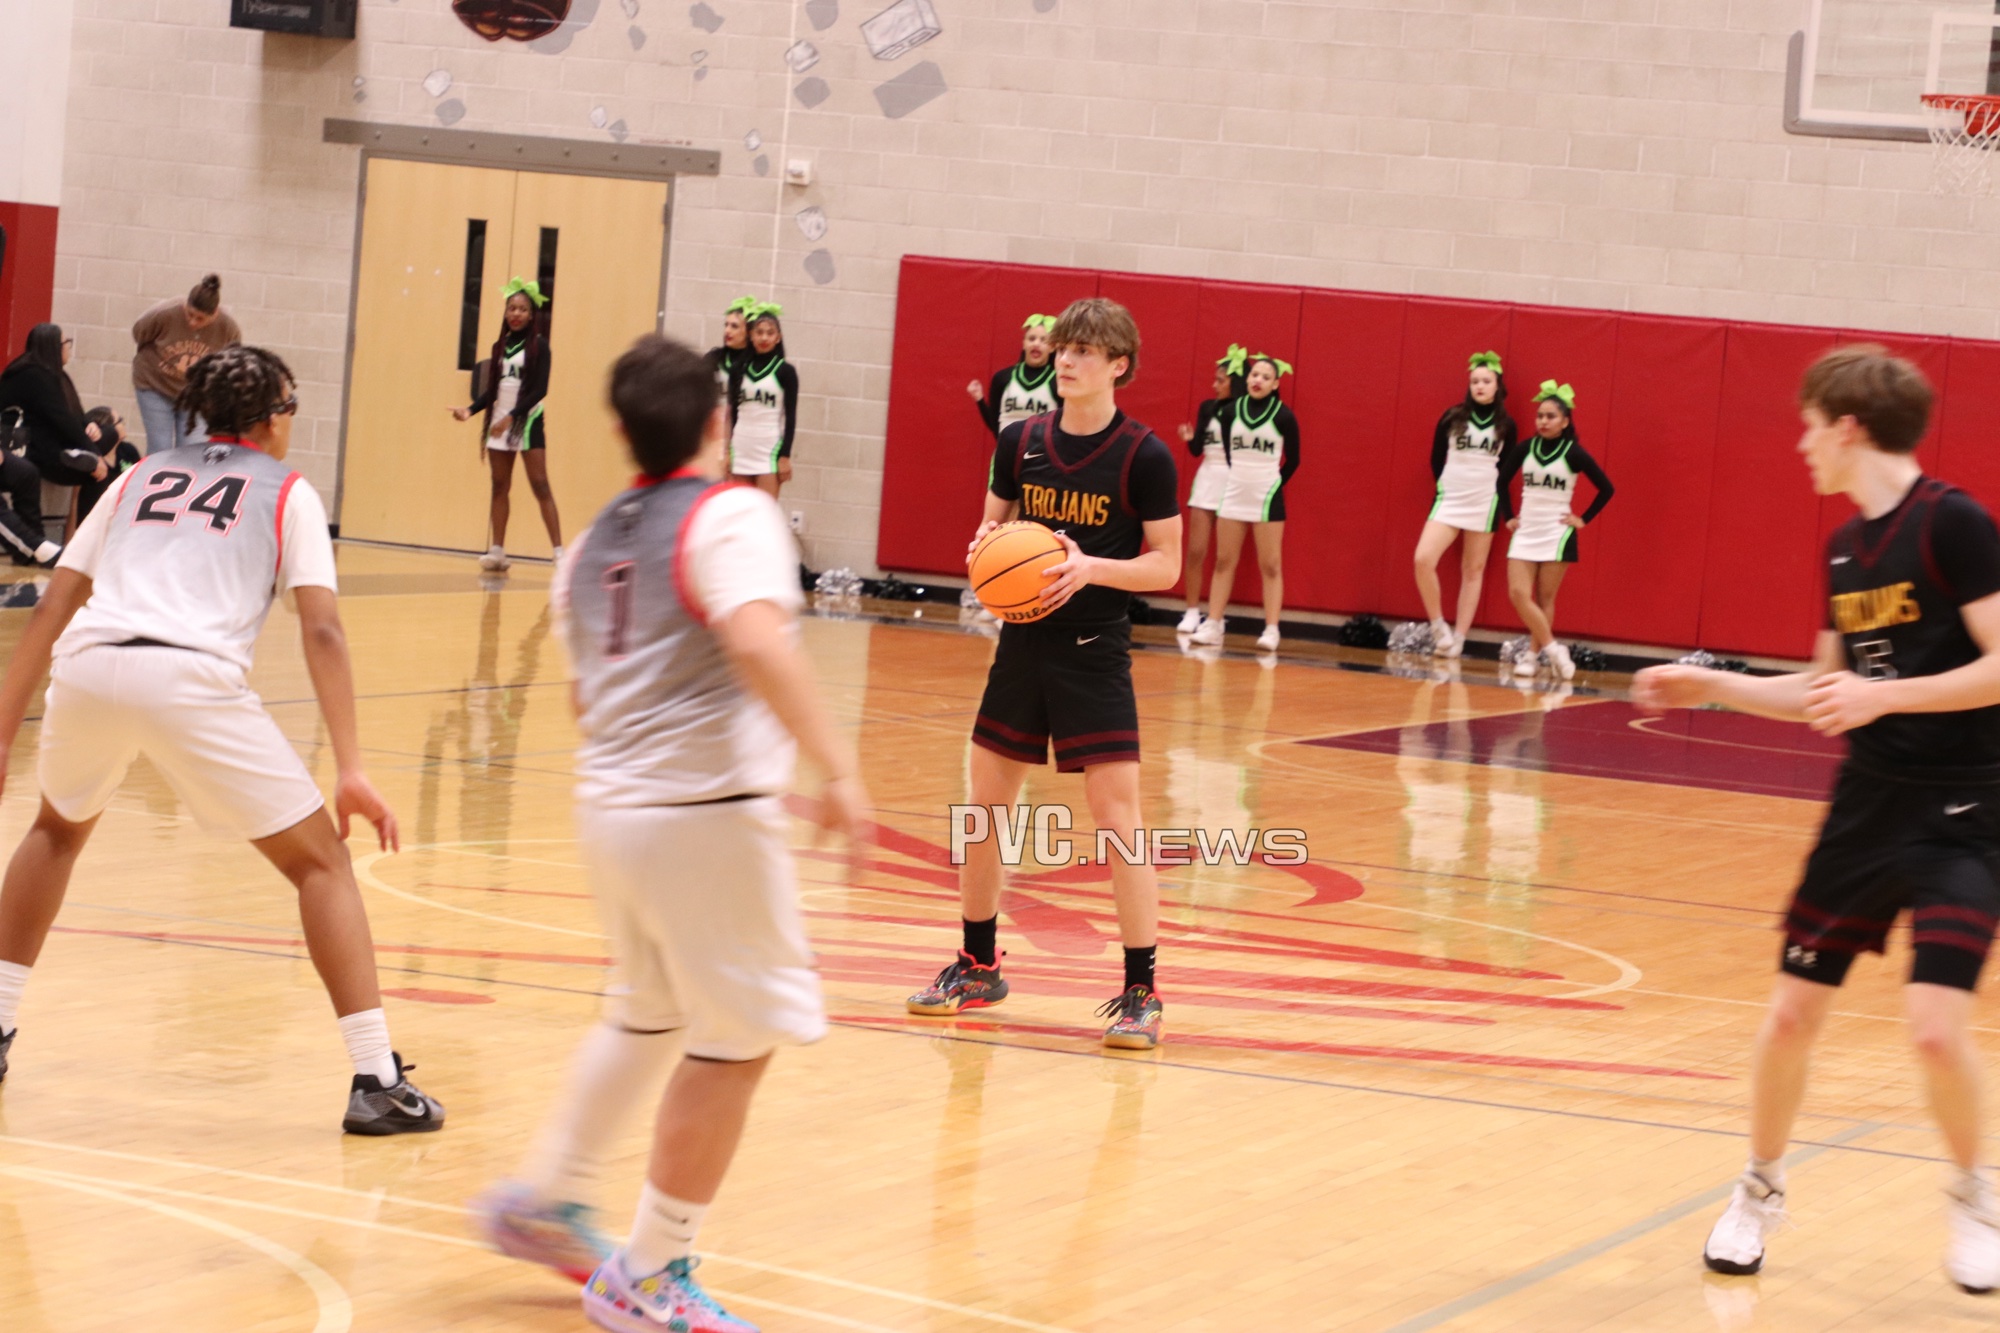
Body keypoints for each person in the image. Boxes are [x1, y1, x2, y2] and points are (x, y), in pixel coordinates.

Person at [471, 334, 867, 1333]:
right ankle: (650, 1267)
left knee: (647, 1013)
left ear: (618, 430)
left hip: (610, 807)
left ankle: (546, 1197)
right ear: (718, 422)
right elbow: (755, 639)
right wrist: (837, 768)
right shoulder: (732, 513)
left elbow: (581, 697)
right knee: (739, 1039)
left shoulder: (584, 545)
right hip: (701, 815)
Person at [0, 344, 443, 1135]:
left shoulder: (138, 476)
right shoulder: (289, 491)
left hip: (91, 667)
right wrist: (350, 765)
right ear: (272, 419)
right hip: (190, 678)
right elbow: (323, 630)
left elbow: (53, 606)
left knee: (56, 830)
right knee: (322, 863)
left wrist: (4, 731)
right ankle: (376, 1079)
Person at [1633, 344, 2000, 1293]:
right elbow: (1827, 689)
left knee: (1934, 1027)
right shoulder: (1842, 548)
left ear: (1847, 426)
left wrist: (1890, 696)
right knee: (1793, 1013)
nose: (1801, 446)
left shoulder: (1954, 522)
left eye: (1808, 427)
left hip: (1965, 807)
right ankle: (1758, 1188)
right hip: (1867, 807)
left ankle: (1976, 1198)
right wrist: (1712, 683)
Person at [905, 297, 1183, 1049]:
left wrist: (1092, 567)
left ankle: (1141, 990)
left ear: (1119, 365)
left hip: (1094, 646)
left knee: (1118, 820)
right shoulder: (1019, 440)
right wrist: (985, 553)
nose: (1067, 360)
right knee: (985, 805)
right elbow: (992, 527)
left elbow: (1167, 564)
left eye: (1085, 350)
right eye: (1064, 347)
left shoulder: (1145, 456)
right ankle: (978, 964)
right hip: (1022, 642)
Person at [1500, 380, 1612, 681]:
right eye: (1540, 416)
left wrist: (1583, 519)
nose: (1544, 421)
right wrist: (1508, 516)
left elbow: (1606, 488)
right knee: (1518, 593)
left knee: (1545, 599)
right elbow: (1501, 480)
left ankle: (1532, 656)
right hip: (1527, 530)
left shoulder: (1573, 453)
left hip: (1556, 533)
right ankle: (1554, 650)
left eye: (1551, 416)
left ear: (1565, 421)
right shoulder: (1526, 448)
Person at [452, 278, 563, 572]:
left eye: (522, 309)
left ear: (531, 315)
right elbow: (494, 389)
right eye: (512, 308)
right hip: (500, 420)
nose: (516, 313)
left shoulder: (540, 346)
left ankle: (560, 554)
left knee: (540, 484)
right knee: (499, 485)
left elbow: (540, 389)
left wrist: (511, 417)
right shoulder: (499, 346)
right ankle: (498, 551)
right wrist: (470, 410)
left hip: (526, 421)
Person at [1190, 354, 1298, 652]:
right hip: (1234, 493)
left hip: (1267, 497)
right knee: (1224, 561)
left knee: (1271, 564)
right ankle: (1213, 624)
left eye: (1266, 377)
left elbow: (1294, 460)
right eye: (1255, 375)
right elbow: (1228, 452)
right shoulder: (1230, 412)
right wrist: (1241, 477)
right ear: (1247, 379)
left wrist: (1273, 484)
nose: (1258, 380)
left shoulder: (1284, 416)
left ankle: (1271, 629)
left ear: (1275, 384)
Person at [1415, 352, 1516, 658]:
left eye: (1486, 381)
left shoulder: (1507, 425)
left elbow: (1507, 468)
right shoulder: (1452, 417)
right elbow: (1436, 458)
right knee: (1423, 559)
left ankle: (1459, 638)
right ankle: (1438, 627)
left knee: (1473, 570)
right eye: (1475, 381)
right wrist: (1446, 485)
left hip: (1484, 501)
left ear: (1497, 386)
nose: (1480, 386)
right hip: (1450, 498)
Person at [0, 325, 98, 565]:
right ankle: (38, 548)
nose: (69, 349)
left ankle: (31, 549)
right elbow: (60, 419)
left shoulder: (55, 375)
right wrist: (95, 454)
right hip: (34, 448)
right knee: (95, 465)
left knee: (25, 474)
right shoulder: (31, 375)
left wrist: (89, 425)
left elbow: (72, 416)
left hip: (30, 449)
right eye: (66, 344)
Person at [1175, 345, 1246, 636]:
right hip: (1207, 476)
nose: (1215, 385)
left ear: (1235, 383)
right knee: (1195, 550)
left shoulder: (1244, 411)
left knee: (1225, 557)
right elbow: (1196, 450)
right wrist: (1189, 438)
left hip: (1235, 479)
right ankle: (1192, 610)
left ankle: (1216, 616)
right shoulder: (1207, 407)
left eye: (1221, 380)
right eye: (1215, 379)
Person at [130, 273, 240, 454]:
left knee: (191, 451)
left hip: (196, 396)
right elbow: (138, 333)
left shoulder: (228, 328)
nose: (192, 322)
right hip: (154, 386)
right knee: (160, 447)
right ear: (185, 306)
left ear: (214, 315)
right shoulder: (166, 313)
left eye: (200, 318)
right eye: (190, 314)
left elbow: (231, 362)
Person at [727, 303, 797, 499]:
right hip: (741, 447)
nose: (764, 338)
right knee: (740, 511)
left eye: (770, 333)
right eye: (759, 332)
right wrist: (726, 452)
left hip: (769, 449)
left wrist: (785, 455)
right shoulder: (738, 369)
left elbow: (791, 417)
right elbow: (731, 414)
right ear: (751, 335)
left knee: (765, 510)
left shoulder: (786, 371)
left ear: (778, 337)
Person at [969, 313, 1060, 440]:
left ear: (1052, 347)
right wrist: (980, 400)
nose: (1036, 344)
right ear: (1024, 343)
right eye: (1031, 339)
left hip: (1041, 453)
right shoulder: (1002, 378)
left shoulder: (1059, 382)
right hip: (1005, 451)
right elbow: (994, 424)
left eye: (1043, 340)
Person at [76, 406, 141, 524]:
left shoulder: (128, 451)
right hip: (95, 519)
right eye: (120, 420)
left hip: (124, 515)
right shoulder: (93, 459)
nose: (123, 424)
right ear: (109, 429)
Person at [706, 295, 755, 386]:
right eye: (726, 325)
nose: (727, 330)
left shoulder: (757, 362)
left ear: (749, 332)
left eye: (734, 326)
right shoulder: (713, 358)